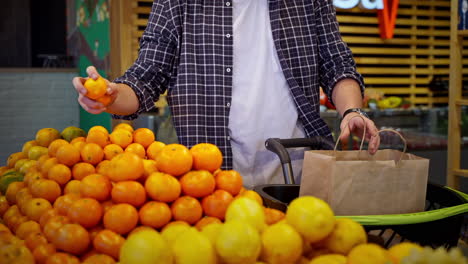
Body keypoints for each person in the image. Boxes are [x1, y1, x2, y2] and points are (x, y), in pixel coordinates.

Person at [73, 0, 380, 189]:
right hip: (210, 183)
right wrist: (111, 96)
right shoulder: (178, 2)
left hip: (302, 175)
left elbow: (336, 64)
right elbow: (146, 79)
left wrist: (352, 111)